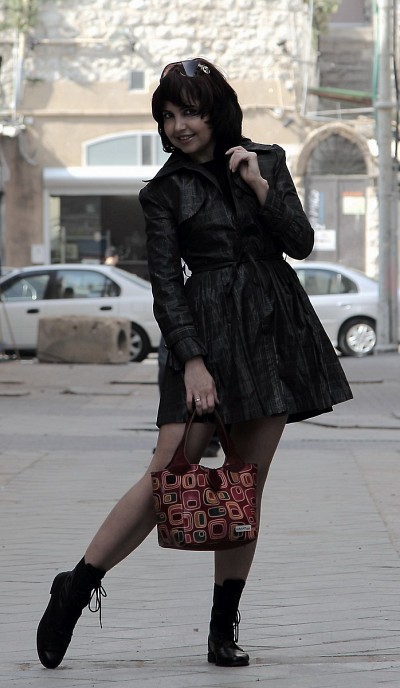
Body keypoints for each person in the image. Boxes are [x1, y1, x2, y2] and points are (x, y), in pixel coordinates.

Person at [36, 57, 352, 670]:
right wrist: (193, 362)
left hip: (271, 331)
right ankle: (75, 587)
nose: (179, 125)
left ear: (216, 111)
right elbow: (164, 285)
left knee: (245, 486)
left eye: (191, 112)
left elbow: (300, 242)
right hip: (203, 334)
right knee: (165, 473)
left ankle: (222, 629)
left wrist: (258, 184)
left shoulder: (266, 160)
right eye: (169, 115)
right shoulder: (163, 191)